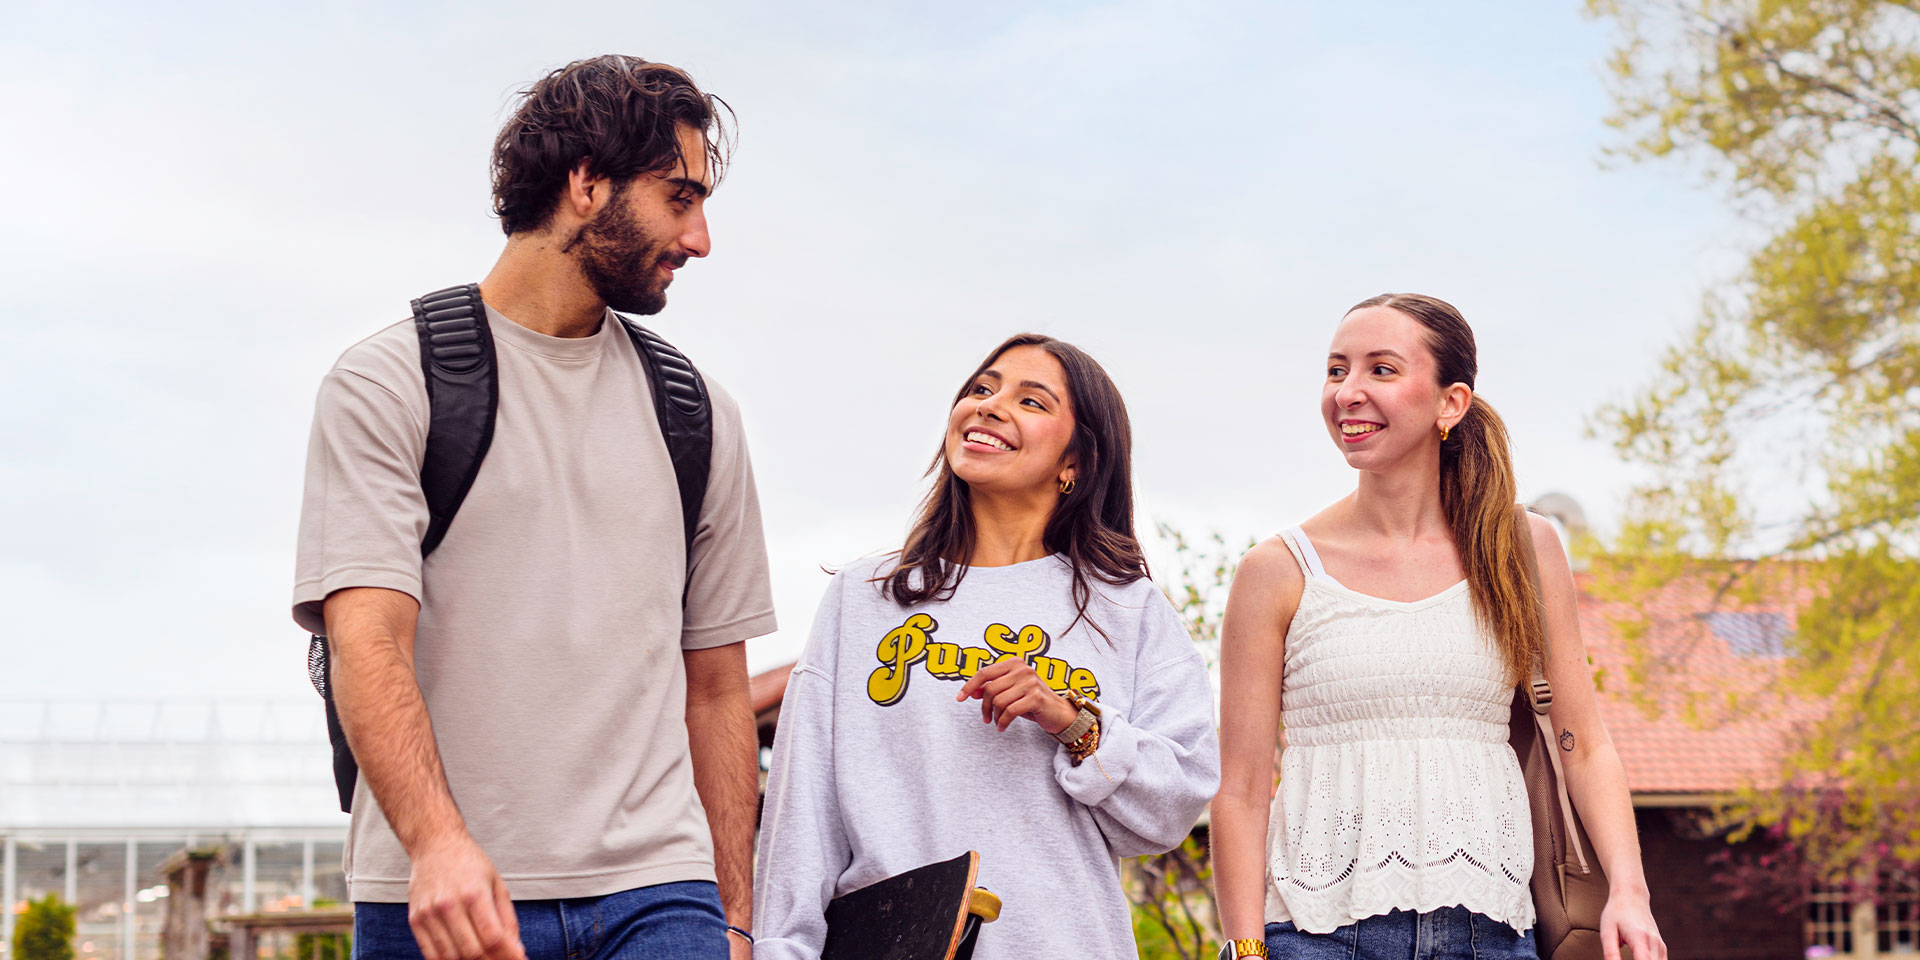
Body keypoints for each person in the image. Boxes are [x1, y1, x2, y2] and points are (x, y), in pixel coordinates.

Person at [290, 56, 774, 960]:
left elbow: (716, 689)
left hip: (659, 894)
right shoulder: (389, 384)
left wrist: (734, 916)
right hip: (439, 897)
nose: (701, 237)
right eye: (680, 197)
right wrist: (437, 846)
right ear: (586, 183)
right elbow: (368, 640)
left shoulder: (698, 413)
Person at [1210, 294, 1668, 960]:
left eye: (1381, 370)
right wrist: (1245, 950)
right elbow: (1242, 789)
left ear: (1450, 404)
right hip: (1314, 938)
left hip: (1492, 934)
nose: (1348, 393)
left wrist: (1631, 893)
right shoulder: (1277, 571)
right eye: (1337, 371)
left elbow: (1584, 742)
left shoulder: (1522, 547)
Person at [751, 334, 1220, 958]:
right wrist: (782, 948)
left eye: (1031, 400)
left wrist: (1072, 721)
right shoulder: (866, 598)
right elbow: (802, 809)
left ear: (1075, 459)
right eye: (981, 389)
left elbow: (1170, 812)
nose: (990, 406)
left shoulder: (1127, 608)